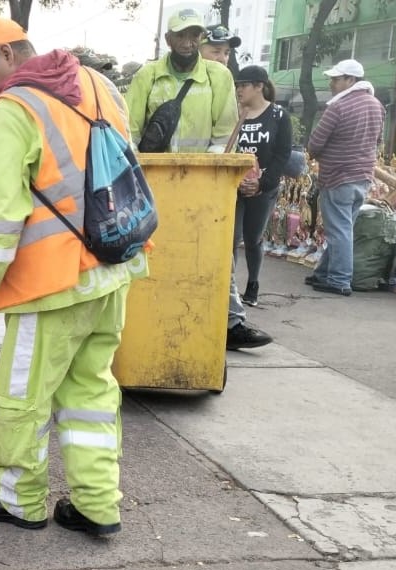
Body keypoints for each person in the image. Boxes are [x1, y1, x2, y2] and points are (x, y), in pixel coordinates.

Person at [0, 17, 146, 538]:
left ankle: (20, 500)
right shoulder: (100, 85)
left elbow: (2, 216)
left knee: (21, 398)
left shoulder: (13, 109)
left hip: (51, 285)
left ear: (7, 55)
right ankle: (98, 505)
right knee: (91, 396)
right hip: (112, 268)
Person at [125, 8, 272, 350]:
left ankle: (231, 323)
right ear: (168, 39)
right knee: (152, 254)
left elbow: (223, 135)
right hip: (154, 183)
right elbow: (129, 131)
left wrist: (208, 172)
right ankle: (146, 323)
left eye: (194, 35)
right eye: (181, 35)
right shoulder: (148, 76)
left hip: (203, 185)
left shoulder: (218, 77)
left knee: (213, 254)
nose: (188, 42)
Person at [305, 59, 384, 296]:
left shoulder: (338, 107)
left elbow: (315, 143)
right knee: (343, 227)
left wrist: (316, 153)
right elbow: (378, 141)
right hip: (363, 176)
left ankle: (339, 279)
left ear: (350, 80)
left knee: (339, 230)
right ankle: (323, 274)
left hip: (337, 175)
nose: (331, 83)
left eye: (336, 79)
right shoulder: (376, 105)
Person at [233, 65, 292, 306]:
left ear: (259, 86)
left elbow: (282, 154)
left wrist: (261, 183)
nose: (238, 90)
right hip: (233, 188)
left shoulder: (278, 115)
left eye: (243, 85)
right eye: (237, 85)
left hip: (263, 188)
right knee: (231, 238)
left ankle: (253, 284)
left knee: (253, 237)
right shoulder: (233, 114)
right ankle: (229, 289)